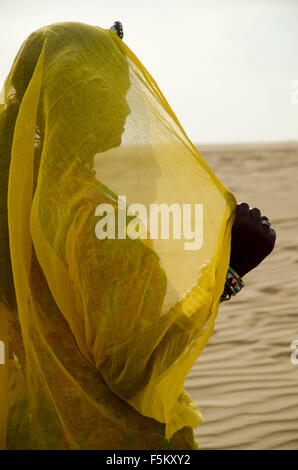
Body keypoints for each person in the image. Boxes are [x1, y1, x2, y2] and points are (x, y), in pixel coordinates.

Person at [0, 21, 275, 450]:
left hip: (27, 428)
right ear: (79, 100)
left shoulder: (13, 200)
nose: (128, 108)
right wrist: (233, 267)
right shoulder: (89, 214)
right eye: (111, 90)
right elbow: (136, 367)